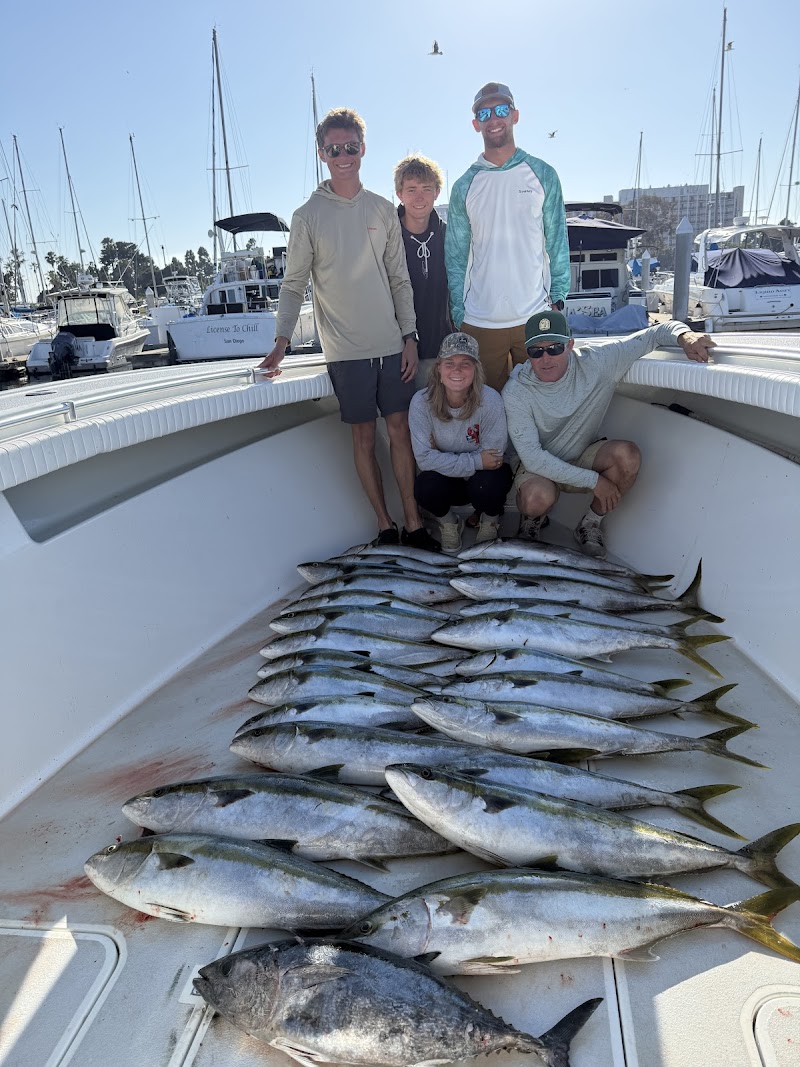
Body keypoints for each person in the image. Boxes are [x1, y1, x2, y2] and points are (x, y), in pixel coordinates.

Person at [258, 108, 438, 550]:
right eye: (334, 149)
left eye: (351, 147)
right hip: (344, 351)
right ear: (321, 153)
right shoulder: (307, 216)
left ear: (363, 149)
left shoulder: (381, 209)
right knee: (362, 435)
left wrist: (410, 337)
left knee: (399, 431)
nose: (343, 156)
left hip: (392, 345)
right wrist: (281, 343)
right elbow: (294, 283)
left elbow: (399, 279)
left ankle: (413, 522)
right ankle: (384, 525)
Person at [503, 310, 716, 559]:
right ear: (527, 354)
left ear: (570, 345)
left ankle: (590, 523)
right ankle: (532, 520)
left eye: (554, 347)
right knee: (535, 499)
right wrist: (595, 481)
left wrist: (685, 337)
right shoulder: (516, 391)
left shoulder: (598, 361)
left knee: (628, 456)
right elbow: (533, 459)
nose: (546, 358)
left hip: (583, 452)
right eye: (536, 351)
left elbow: (654, 334)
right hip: (539, 468)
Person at [445, 81, 570, 394]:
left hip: (535, 318)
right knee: (489, 414)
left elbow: (557, 242)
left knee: (541, 406)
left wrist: (558, 299)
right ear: (476, 124)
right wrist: (459, 314)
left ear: (515, 115)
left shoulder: (543, 174)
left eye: (501, 110)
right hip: (480, 321)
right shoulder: (464, 185)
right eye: (485, 113)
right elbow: (456, 255)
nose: (494, 118)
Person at [408, 332, 512, 553]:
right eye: (450, 363)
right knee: (425, 486)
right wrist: (476, 461)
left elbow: (493, 459)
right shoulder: (420, 403)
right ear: (439, 369)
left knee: (491, 482)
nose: (457, 370)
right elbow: (425, 460)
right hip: (452, 481)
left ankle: (490, 520)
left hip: (482, 480)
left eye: (465, 363)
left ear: (476, 369)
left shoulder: (491, 400)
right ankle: (449, 522)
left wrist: (443, 457)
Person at [393, 154, 452, 389]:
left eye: (427, 189)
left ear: (437, 192)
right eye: (411, 189)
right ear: (399, 194)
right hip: (399, 353)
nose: (419, 197)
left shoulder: (450, 236)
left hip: (444, 349)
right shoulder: (388, 239)